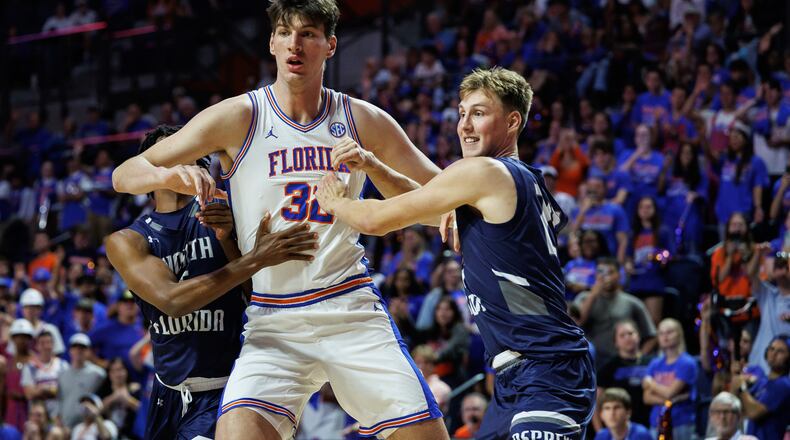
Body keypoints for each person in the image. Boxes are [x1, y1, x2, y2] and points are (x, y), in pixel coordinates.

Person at [111, 1, 447, 438]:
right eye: (285, 33)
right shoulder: (240, 115)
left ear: (330, 45)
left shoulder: (362, 119)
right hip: (273, 318)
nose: (295, 44)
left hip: (349, 308)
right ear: (271, 42)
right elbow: (123, 175)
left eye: (308, 33)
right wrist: (166, 172)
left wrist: (381, 171)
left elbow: (443, 195)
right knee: (237, 431)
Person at [316, 67, 595, 438]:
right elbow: (421, 203)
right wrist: (372, 165)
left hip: (547, 369)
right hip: (516, 378)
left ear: (513, 121)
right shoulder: (514, 179)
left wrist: (334, 202)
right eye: (462, 113)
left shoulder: (485, 173)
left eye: (478, 113)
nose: (464, 125)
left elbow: (377, 220)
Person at [104, 125, 318, 440]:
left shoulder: (230, 212)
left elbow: (259, 297)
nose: (184, 159)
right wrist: (254, 258)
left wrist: (231, 240)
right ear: (150, 170)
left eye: (192, 153)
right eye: (172, 152)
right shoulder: (128, 240)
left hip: (225, 387)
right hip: (166, 391)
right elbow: (172, 301)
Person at [573, 258, 657, 365]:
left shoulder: (632, 302)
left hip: (622, 361)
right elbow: (577, 323)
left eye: (610, 272)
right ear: (595, 275)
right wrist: (593, 295)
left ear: (619, 275)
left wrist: (638, 358)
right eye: (600, 272)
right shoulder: (583, 298)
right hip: (591, 359)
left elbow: (652, 336)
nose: (605, 276)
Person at [641, 318, 698, 439]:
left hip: (680, 422)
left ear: (679, 334)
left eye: (669, 332)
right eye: (661, 333)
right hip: (656, 422)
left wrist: (651, 383)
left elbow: (669, 393)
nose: (665, 336)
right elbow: (646, 398)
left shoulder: (687, 363)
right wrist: (674, 399)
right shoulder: (654, 363)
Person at [597, 320, 655, 427]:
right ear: (615, 342)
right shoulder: (607, 368)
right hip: (618, 428)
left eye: (630, 333)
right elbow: (596, 404)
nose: (627, 338)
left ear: (638, 336)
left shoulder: (653, 363)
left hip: (651, 424)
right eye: (622, 335)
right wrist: (600, 432)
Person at [731, 335, 790, 440]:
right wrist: (736, 377)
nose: (774, 353)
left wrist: (741, 387)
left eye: (780, 351)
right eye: (771, 349)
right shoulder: (763, 382)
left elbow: (754, 413)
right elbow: (738, 409)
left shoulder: (783, 385)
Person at [56, 333, 106, 429]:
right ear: (70, 350)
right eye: (75, 347)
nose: (78, 351)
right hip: (65, 425)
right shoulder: (62, 374)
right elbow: (59, 399)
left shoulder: (98, 374)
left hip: (86, 426)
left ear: (88, 351)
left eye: (82, 348)